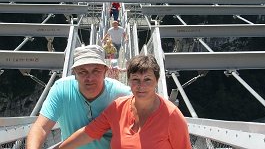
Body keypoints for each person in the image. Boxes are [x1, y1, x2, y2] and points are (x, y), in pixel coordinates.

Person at [54, 54, 192, 149]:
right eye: (135, 79)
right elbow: (89, 132)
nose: (141, 86)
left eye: (147, 79)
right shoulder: (118, 107)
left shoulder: (171, 115)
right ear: (129, 81)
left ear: (157, 81)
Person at [26, 44, 131, 149]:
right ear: (74, 73)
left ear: (105, 72)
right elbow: (41, 127)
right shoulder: (62, 89)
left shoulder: (122, 95)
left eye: (96, 71)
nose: (90, 78)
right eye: (82, 72)